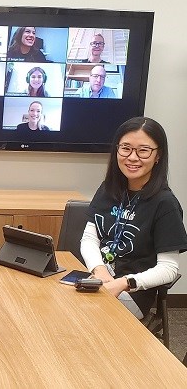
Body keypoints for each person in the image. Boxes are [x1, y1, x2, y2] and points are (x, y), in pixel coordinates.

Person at [80, 117, 186, 319]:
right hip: (97, 278)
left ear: (158, 156)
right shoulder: (107, 189)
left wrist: (123, 282)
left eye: (143, 150)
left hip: (131, 293)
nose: (132, 157)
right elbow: (89, 239)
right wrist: (100, 271)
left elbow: (169, 269)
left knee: (78, 315)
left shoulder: (165, 203)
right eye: (126, 148)